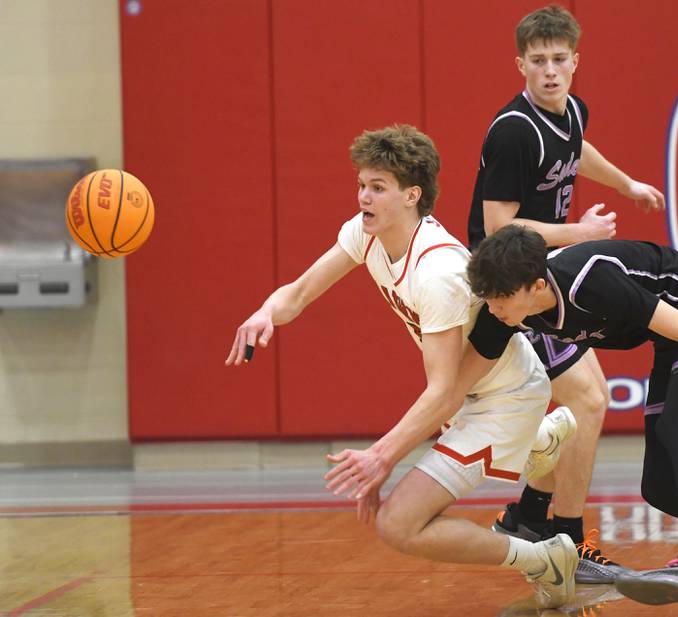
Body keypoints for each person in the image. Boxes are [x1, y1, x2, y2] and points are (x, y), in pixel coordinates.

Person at [225, 125, 581, 608]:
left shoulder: (437, 273)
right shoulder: (365, 234)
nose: (362, 197)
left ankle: (543, 558)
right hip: (468, 393)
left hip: (502, 396)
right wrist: (267, 310)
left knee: (399, 524)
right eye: (361, 185)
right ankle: (537, 443)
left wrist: (380, 459)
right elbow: (302, 292)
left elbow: (441, 392)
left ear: (412, 195)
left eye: (377, 188)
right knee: (406, 508)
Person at [465, 224, 678, 611]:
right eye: (488, 299)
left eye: (502, 298)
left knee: (677, 427)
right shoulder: (502, 310)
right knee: (659, 487)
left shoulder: (591, 282)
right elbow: (460, 378)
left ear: (537, 286)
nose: (494, 309)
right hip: (672, 335)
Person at [466, 4, 666, 584]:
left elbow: (578, 150)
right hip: (510, 285)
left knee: (587, 404)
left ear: (575, 62)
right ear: (520, 65)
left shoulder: (572, 109)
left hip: (547, 275)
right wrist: (578, 233)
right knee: (589, 403)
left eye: (559, 59)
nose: (549, 70)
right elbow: (500, 225)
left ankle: (528, 515)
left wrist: (626, 183)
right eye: (538, 61)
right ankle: (568, 542)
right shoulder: (513, 130)